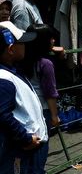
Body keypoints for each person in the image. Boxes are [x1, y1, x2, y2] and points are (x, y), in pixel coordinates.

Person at [0, 21, 45, 174]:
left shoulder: (12, 71)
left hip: (29, 146)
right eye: (22, 43)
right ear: (11, 49)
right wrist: (25, 138)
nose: (26, 46)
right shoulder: (4, 79)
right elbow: (2, 115)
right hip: (21, 149)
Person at [18, 24, 60, 174]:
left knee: (27, 151)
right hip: (43, 111)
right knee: (41, 148)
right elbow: (50, 93)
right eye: (50, 38)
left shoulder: (20, 61)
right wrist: (55, 116)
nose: (53, 41)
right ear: (43, 42)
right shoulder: (46, 64)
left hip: (24, 111)